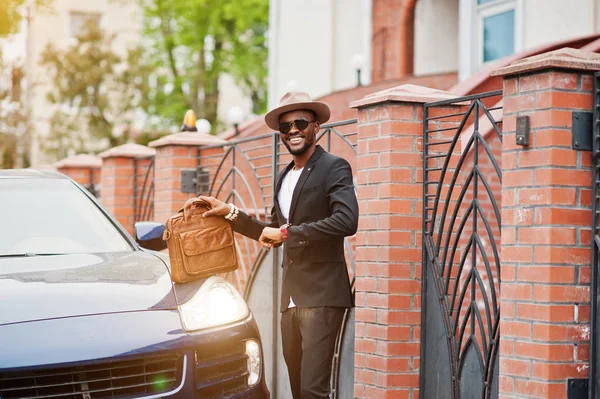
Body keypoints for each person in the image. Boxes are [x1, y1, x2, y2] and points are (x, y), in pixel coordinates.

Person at [199, 91, 359, 399]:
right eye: (285, 127)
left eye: (300, 122)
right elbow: (271, 231)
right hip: (291, 300)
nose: (293, 130)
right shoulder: (284, 177)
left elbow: (347, 221)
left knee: (314, 390)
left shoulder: (334, 167)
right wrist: (231, 214)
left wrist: (288, 234)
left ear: (316, 127)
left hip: (323, 296)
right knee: (299, 388)